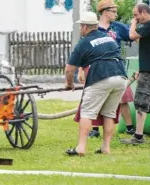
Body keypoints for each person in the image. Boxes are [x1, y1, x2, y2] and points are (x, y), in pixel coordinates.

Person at [65, 12, 127, 156]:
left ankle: (80, 148)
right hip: (120, 76)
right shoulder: (107, 37)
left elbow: (69, 69)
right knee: (109, 113)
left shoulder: (84, 42)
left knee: (86, 112)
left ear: (85, 27)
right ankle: (106, 148)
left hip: (101, 76)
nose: (81, 29)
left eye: (81, 26)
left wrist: (69, 84)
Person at [78, 0, 136, 138]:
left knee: (123, 98)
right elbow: (83, 50)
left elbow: (133, 36)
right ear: (105, 12)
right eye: (113, 11)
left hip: (115, 67)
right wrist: (81, 69)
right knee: (95, 98)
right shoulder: (92, 28)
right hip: (95, 67)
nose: (116, 14)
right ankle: (95, 129)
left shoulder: (118, 27)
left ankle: (129, 127)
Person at [121, 3, 150, 145]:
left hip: (148, 73)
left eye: (136, 15)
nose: (135, 18)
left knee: (141, 102)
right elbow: (141, 41)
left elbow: (132, 35)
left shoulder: (148, 25)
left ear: (144, 12)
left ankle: (138, 137)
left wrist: (133, 23)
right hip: (146, 70)